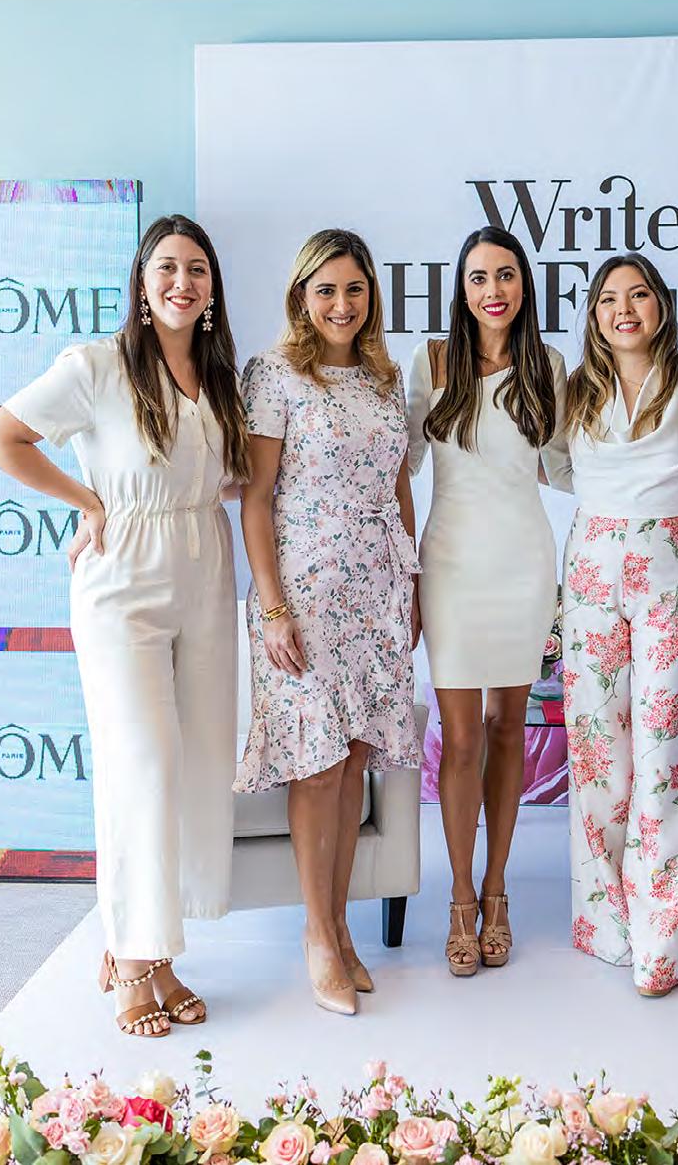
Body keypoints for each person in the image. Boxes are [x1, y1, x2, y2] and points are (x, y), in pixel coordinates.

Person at [0, 214, 249, 1037]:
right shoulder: (96, 366)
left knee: (197, 764)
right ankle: (130, 957)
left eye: (196, 269)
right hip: (122, 581)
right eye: (166, 267)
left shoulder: (220, 378)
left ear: (211, 289)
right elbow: (0, 437)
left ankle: (158, 953)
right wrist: (88, 501)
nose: (181, 282)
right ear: (140, 281)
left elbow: (230, 480)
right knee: (143, 763)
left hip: (205, 568)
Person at [236, 228, 420, 1017]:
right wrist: (273, 607)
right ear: (301, 297)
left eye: (353, 289)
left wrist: (410, 587)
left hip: (376, 590)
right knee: (315, 764)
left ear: (370, 295)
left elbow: (399, 487)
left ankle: (341, 927)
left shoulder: (383, 379)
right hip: (304, 593)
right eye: (325, 290)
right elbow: (255, 498)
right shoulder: (274, 373)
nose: (341, 305)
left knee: (352, 762)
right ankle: (315, 936)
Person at [407, 225, 570, 976]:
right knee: (462, 737)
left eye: (505, 276)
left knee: (508, 730)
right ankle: (460, 900)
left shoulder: (549, 365)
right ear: (462, 289)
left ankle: (497, 893)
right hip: (450, 565)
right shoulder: (433, 361)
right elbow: (396, 461)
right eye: (478, 278)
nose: (493, 291)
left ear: (524, 285)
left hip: (523, 565)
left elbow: (567, 466)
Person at [563, 254, 678, 996]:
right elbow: (558, 470)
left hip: (669, 569)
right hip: (590, 564)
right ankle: (606, 925)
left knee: (664, 748)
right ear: (593, 314)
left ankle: (665, 944)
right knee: (597, 748)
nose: (624, 309)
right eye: (609, 299)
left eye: (639, 295)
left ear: (661, 306)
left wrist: (668, 519)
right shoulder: (572, 389)